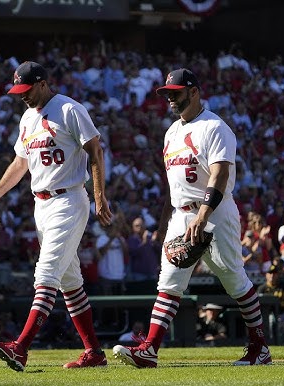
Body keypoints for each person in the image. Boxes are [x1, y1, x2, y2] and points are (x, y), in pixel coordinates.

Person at [113, 68, 272, 368]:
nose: (170, 98)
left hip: (214, 211)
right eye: (167, 94)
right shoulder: (171, 132)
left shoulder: (215, 126)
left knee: (234, 281)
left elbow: (220, 173)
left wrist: (204, 213)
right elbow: (171, 184)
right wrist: (163, 224)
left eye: (175, 93)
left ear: (194, 92)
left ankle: (259, 347)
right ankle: (149, 350)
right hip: (181, 213)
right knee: (168, 283)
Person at [0, 61, 113, 371]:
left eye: (27, 90)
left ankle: (21, 347)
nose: (22, 96)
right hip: (41, 204)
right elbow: (20, 163)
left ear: (42, 84)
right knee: (69, 281)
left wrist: (99, 195)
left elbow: (95, 151)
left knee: (46, 273)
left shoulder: (69, 109)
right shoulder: (27, 117)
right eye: (19, 91)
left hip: (68, 199)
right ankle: (94, 352)